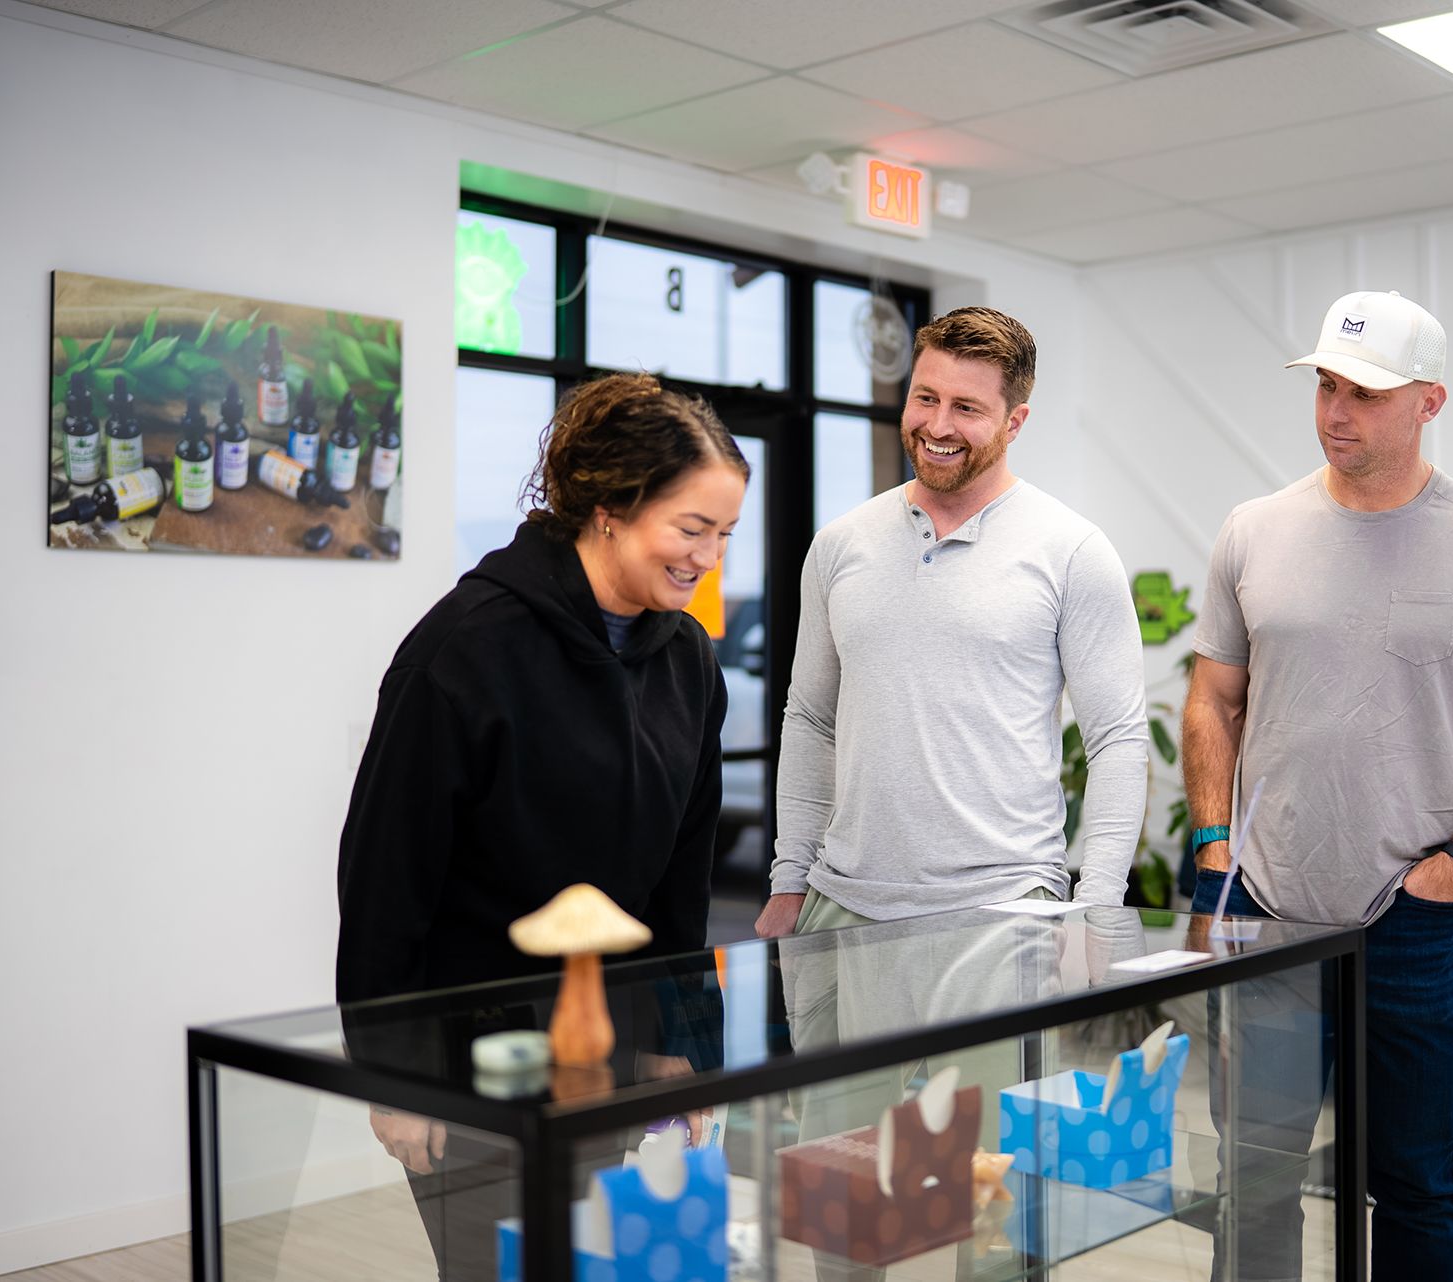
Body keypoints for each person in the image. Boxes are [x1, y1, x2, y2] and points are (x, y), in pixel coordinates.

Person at [1182, 290, 1453, 1281]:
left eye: (1364, 390)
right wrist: (1212, 846)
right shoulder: (1253, 529)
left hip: (1411, 919)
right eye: (1325, 383)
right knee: (1257, 1171)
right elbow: (1208, 702)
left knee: (1412, 1180)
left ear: (1429, 402)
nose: (1335, 410)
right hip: (1267, 913)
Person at [334, 373, 747, 1278]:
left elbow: (683, 875)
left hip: (609, 1049)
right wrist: (394, 1075)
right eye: (691, 529)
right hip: (471, 1055)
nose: (710, 557)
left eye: (725, 533)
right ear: (608, 509)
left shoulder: (687, 660)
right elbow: (383, 883)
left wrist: (684, 1039)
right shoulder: (464, 649)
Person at [756, 306, 1148, 941]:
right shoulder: (839, 544)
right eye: (925, 397)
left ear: (1014, 422)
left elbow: (1117, 740)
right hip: (839, 905)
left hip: (1003, 908)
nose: (937, 425)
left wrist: (1098, 905)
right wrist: (790, 880)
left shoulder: (1072, 550)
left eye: (967, 407)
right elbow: (810, 720)